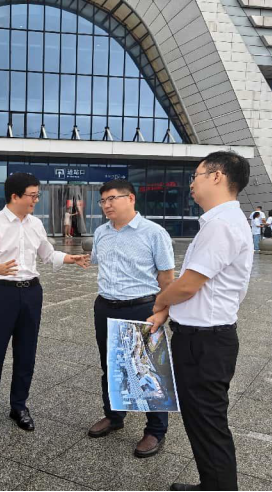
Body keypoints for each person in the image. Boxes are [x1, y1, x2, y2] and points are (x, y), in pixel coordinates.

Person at [147, 151, 253, 491]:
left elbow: (188, 285)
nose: (191, 183)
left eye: (196, 175)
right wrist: (167, 310)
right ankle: (212, 484)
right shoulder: (219, 222)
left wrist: (160, 302)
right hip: (204, 337)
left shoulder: (222, 225)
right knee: (202, 421)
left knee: (208, 423)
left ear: (217, 176)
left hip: (205, 342)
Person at [0, 172, 90, 433]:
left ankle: (19, 406)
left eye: (37, 195)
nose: (36, 200)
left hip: (31, 292)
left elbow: (47, 254)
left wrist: (71, 258)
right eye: (32, 195)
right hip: (0, 293)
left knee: (26, 351)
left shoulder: (35, 224)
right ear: (14, 196)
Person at [88, 179, 175, 458]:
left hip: (141, 306)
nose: (107, 205)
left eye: (112, 198)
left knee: (147, 369)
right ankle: (114, 416)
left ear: (131, 199)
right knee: (111, 365)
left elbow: (166, 277)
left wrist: (162, 311)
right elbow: (96, 261)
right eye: (103, 200)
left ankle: (156, 430)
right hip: (105, 306)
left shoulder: (154, 233)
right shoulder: (101, 232)